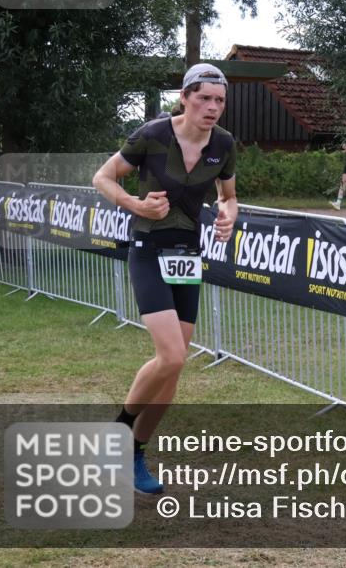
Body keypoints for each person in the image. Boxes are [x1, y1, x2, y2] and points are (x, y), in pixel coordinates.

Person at [92, 63, 238, 494]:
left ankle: (134, 453)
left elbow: (228, 198)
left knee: (171, 373)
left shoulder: (225, 144)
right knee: (172, 357)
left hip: (188, 255)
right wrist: (136, 205)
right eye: (204, 98)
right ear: (185, 97)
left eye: (219, 100)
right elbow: (102, 177)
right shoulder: (153, 134)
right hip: (148, 249)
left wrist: (227, 218)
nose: (212, 107)